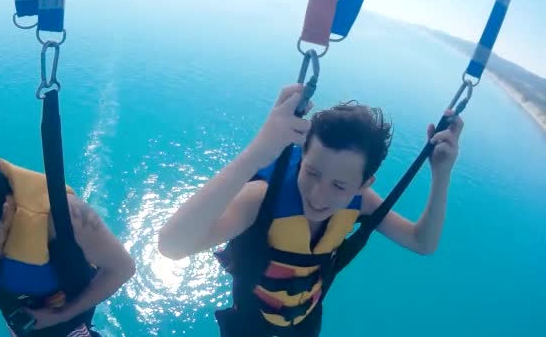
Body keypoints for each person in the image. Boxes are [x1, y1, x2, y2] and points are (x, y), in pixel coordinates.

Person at [158, 84, 464, 336]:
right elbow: (171, 246)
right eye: (312, 172)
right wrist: (259, 152)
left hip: (305, 321)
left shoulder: (363, 201)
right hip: (249, 322)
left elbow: (422, 242)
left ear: (363, 184)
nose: (319, 196)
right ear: (302, 156)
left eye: (339, 186)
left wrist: (441, 175)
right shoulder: (263, 197)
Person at [0, 147, 136, 337]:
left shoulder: (67, 219)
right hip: (19, 318)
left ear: (5, 215)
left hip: (67, 323)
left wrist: (62, 315)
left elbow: (123, 268)